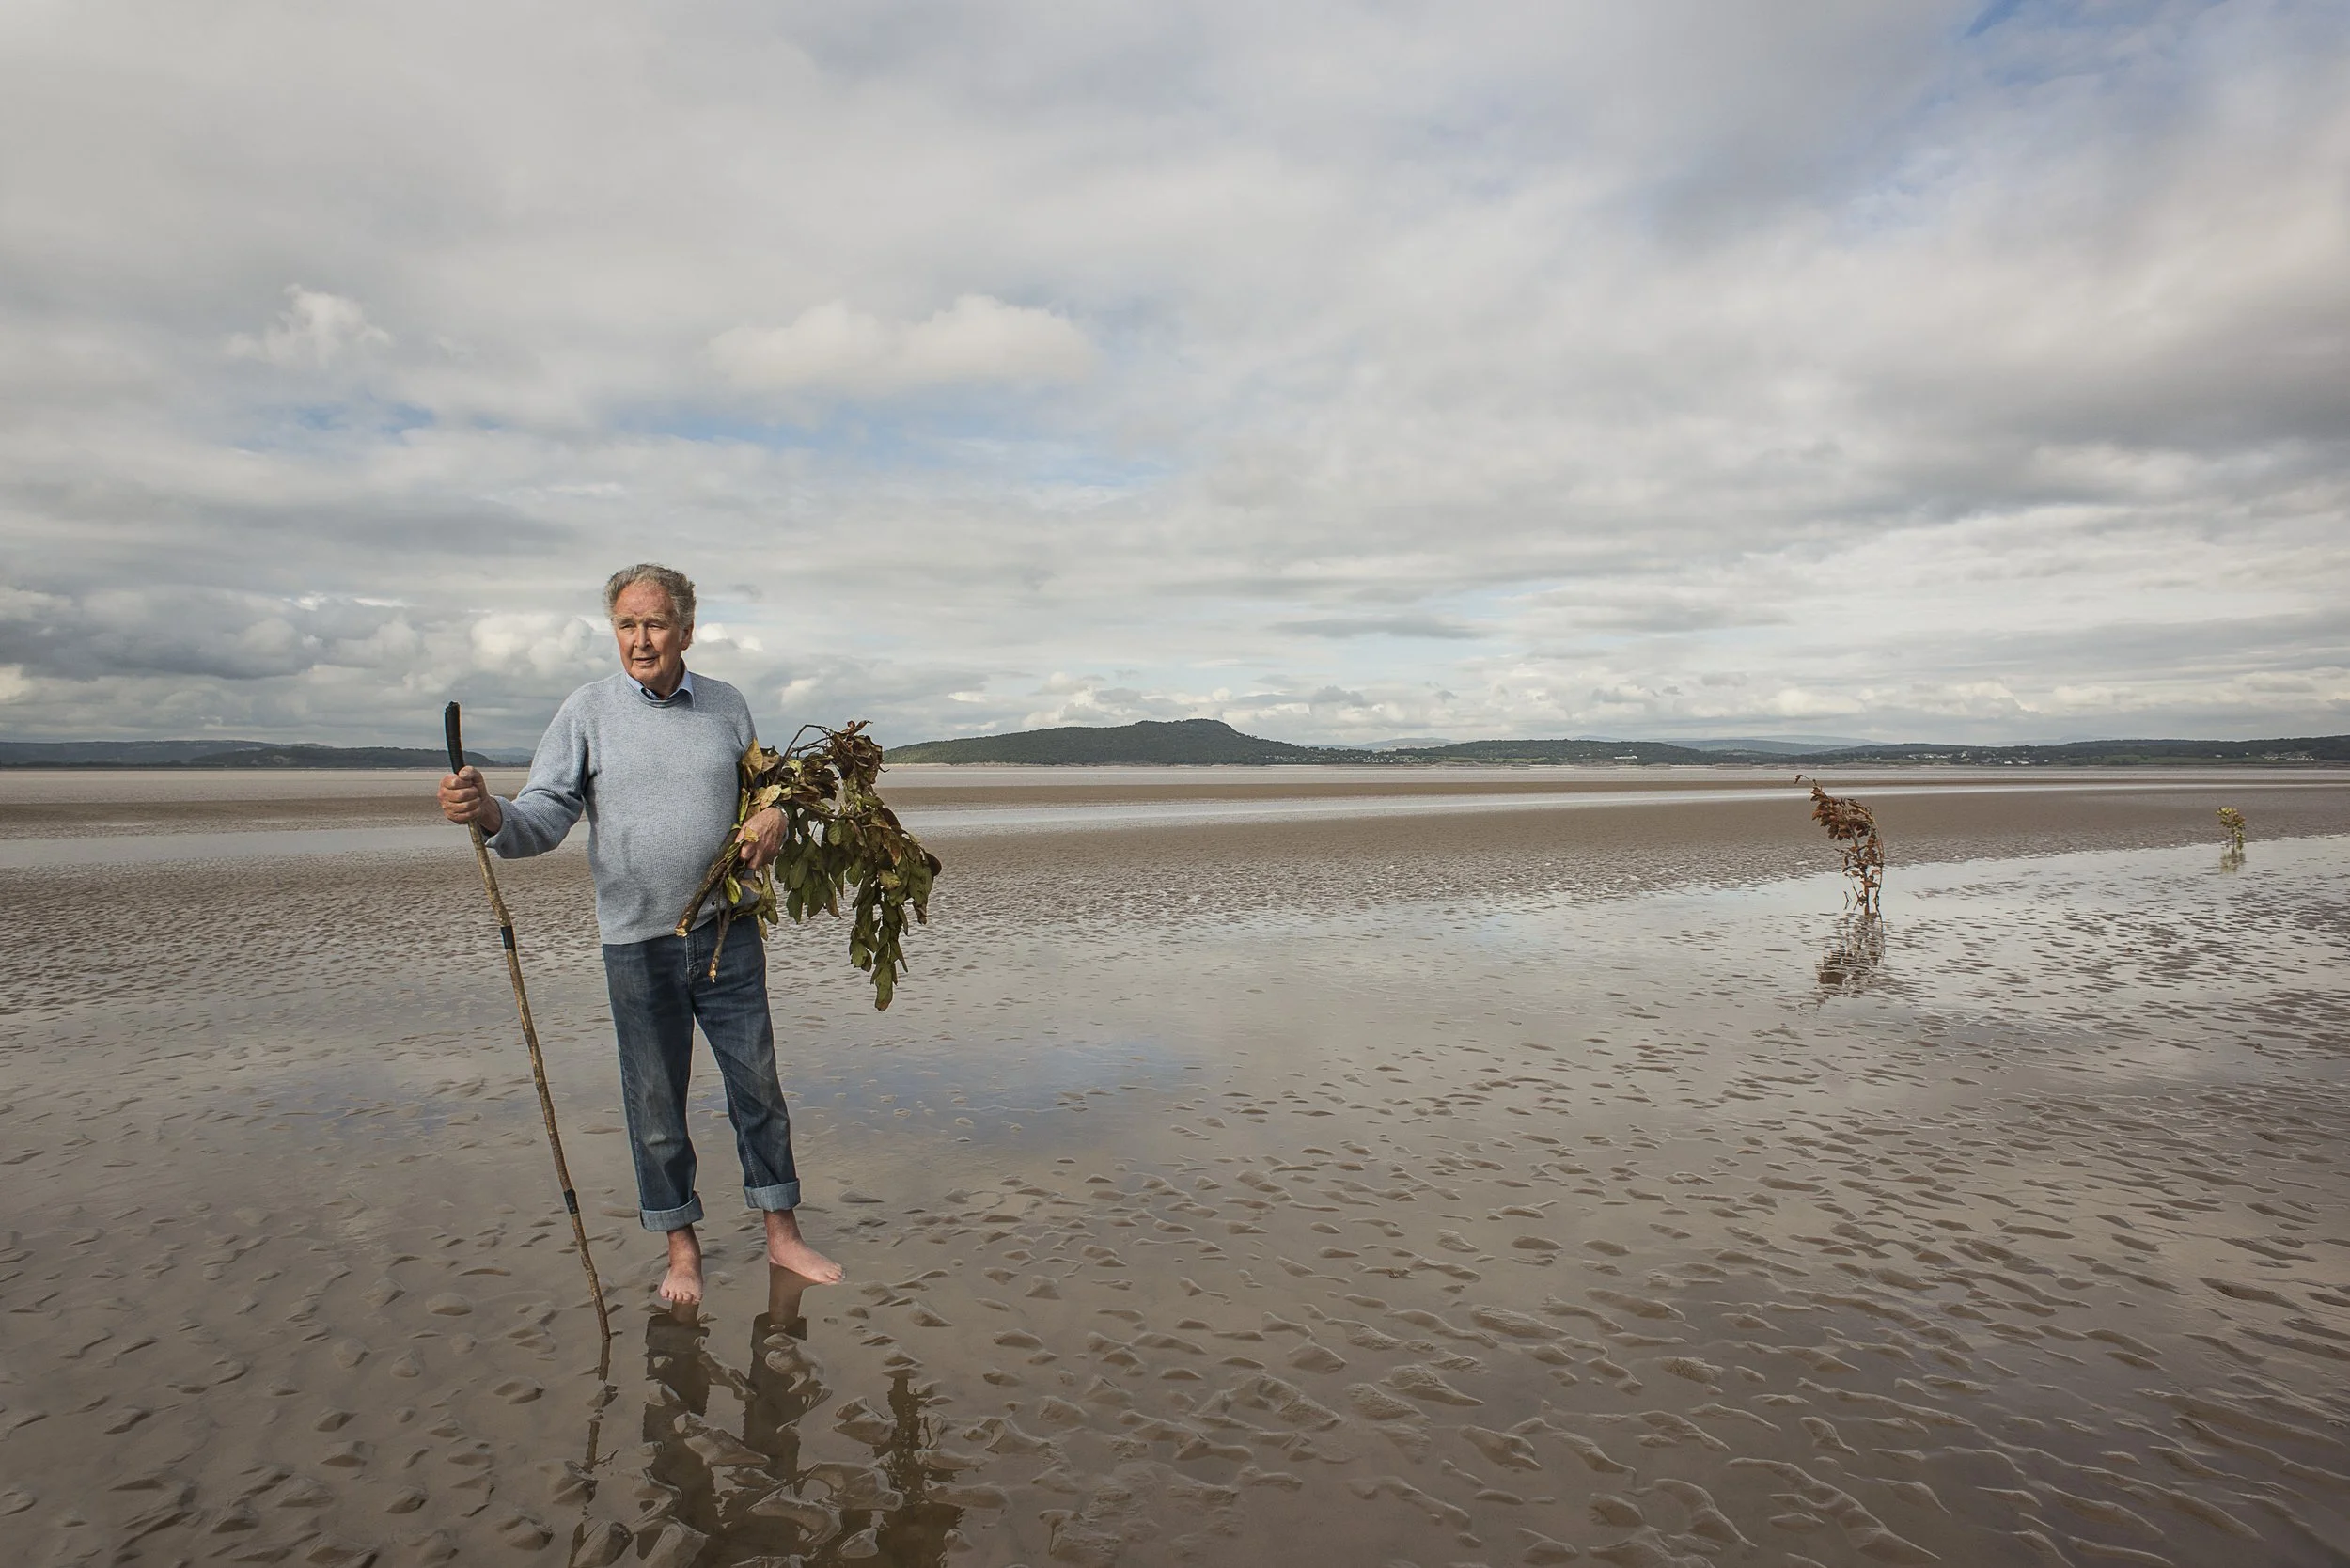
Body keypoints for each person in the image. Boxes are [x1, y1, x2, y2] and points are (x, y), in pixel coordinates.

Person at [438, 563, 844, 1304]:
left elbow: (768, 792)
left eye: (655, 624)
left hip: (728, 934)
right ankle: (681, 1249)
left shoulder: (726, 705)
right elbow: (543, 816)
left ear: (686, 631)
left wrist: (774, 817)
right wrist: (491, 813)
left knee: (758, 1087)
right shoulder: (586, 712)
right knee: (656, 1105)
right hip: (636, 942)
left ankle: (782, 1237)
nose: (640, 640)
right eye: (626, 625)